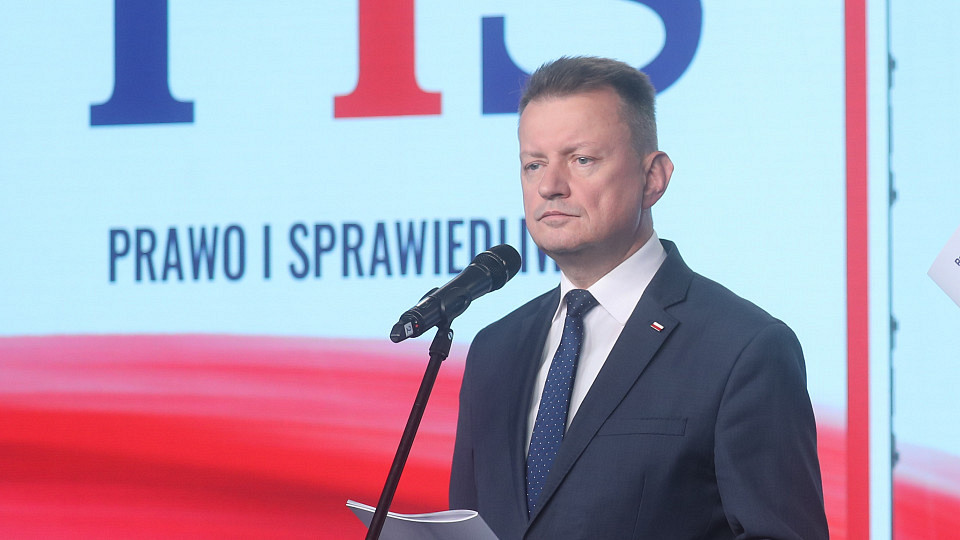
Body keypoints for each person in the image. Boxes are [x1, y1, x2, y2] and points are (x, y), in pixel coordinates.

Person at [449, 56, 829, 539]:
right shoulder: (494, 350)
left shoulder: (743, 349)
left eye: (581, 160)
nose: (549, 186)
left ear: (653, 178)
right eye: (534, 164)